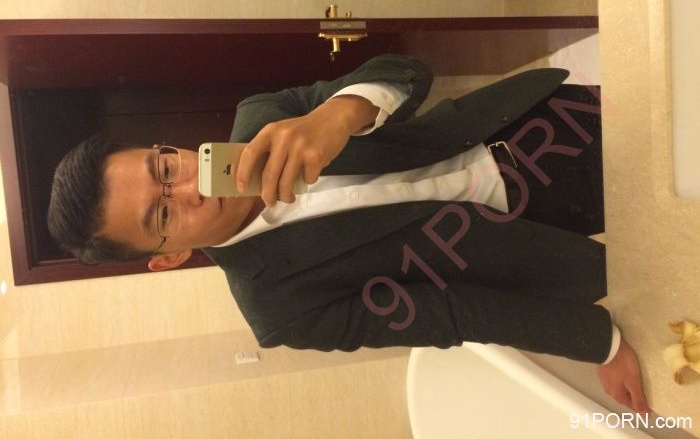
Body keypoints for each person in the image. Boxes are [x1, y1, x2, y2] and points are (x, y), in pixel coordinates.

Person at [47, 54, 649, 413]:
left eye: (164, 168)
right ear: (168, 257)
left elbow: (405, 72)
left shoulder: (261, 118)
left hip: (541, 122)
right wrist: (597, 342)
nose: (189, 189)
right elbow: (449, 314)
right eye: (163, 215)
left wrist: (338, 113)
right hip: (544, 221)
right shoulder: (282, 309)